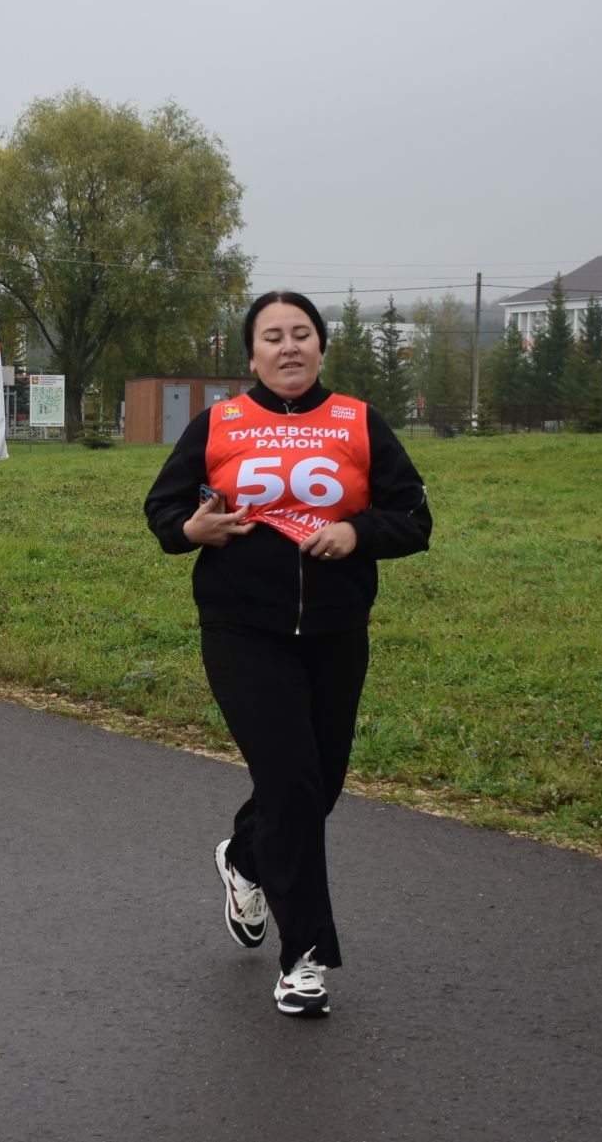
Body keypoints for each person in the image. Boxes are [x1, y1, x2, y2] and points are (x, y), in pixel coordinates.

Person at [143, 290, 432, 1018]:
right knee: (294, 778)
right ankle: (304, 957)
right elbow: (163, 510)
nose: (288, 346)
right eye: (272, 336)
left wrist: (357, 535)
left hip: (336, 631)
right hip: (242, 628)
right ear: (252, 354)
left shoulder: (359, 421)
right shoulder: (220, 423)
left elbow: (414, 517)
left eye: (301, 333)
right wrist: (192, 529)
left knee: (317, 783)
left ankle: (245, 856)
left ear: (322, 345)